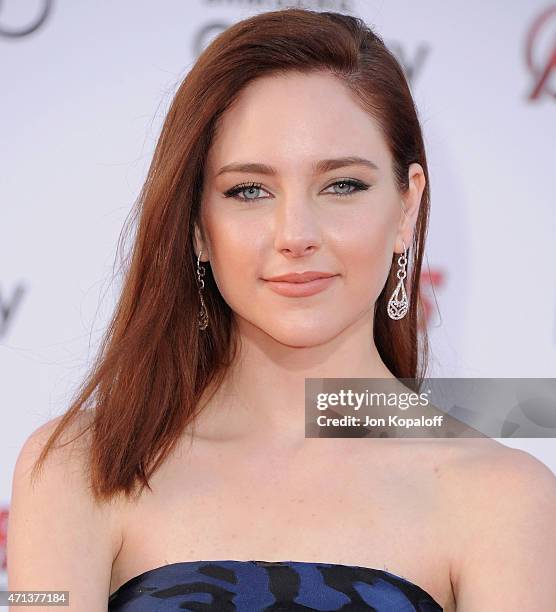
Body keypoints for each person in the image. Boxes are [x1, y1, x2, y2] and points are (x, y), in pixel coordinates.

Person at [7, 8, 556, 611]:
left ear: (407, 208)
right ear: (196, 224)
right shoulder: (79, 467)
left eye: (342, 185)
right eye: (249, 190)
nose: (295, 234)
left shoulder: (503, 496)